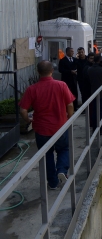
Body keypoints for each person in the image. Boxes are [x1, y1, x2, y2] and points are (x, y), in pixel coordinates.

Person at [19, 61, 75, 190]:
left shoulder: (32, 89)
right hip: (60, 126)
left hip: (41, 129)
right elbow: (70, 105)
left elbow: (23, 110)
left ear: (38, 72)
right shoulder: (61, 85)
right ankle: (61, 169)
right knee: (63, 149)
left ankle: (53, 183)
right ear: (52, 71)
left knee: (46, 155)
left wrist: (28, 120)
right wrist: (69, 118)